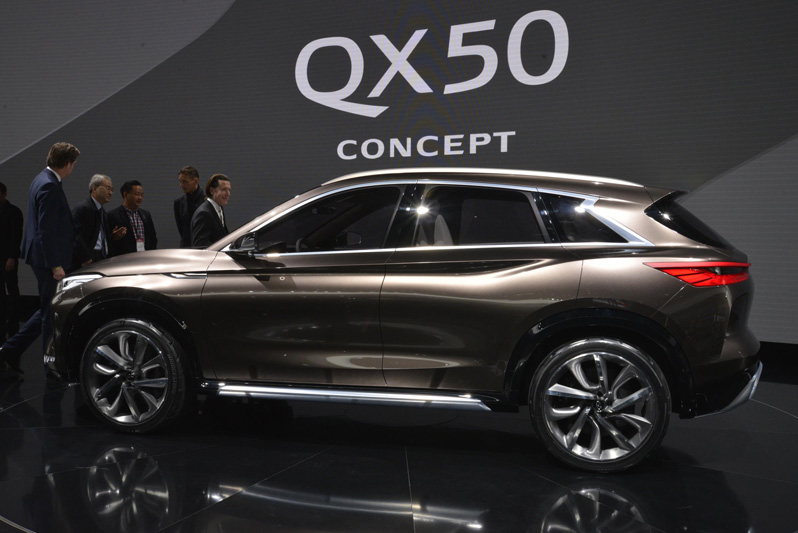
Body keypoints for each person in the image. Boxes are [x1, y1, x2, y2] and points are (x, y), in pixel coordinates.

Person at [0, 142, 79, 376]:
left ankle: (9, 350)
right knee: (50, 314)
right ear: (68, 163)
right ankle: (49, 365)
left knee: (47, 309)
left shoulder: (41, 179)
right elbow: (46, 229)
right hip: (47, 260)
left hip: (41, 256)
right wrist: (56, 265)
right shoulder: (50, 185)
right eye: (73, 164)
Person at [71, 174, 121, 269]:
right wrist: (85, 257)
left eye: (112, 190)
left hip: (101, 256)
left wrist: (112, 237)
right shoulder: (83, 208)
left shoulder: (102, 212)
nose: (110, 193)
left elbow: (98, 237)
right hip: (87, 258)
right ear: (94, 189)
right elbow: (75, 236)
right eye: (107, 188)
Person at [106, 180, 158, 256]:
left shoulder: (146, 215)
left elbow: (152, 238)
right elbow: (107, 242)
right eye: (137, 194)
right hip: (124, 259)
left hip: (145, 257)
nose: (140, 198)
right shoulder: (112, 215)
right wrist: (113, 237)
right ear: (125, 194)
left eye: (142, 195)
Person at [0, 182, 23, 343]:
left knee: (12, 288)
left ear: (4, 194)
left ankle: (13, 320)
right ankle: (3, 320)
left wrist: (12, 257)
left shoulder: (13, 211)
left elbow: (16, 236)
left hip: (8, 257)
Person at [191, 174, 231, 248]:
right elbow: (200, 244)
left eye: (229, 190)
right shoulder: (204, 213)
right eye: (224, 189)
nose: (228, 194)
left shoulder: (219, 209)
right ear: (212, 191)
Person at [173, 166, 205, 248]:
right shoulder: (178, 202)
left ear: (196, 181)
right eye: (180, 181)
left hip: (204, 248)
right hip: (186, 247)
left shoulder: (207, 201)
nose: (181, 185)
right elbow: (182, 231)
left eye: (185, 181)